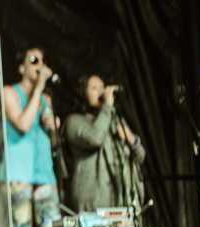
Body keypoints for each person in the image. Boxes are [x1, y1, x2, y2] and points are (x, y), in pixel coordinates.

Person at [1, 48, 60, 227]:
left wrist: (54, 129)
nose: (40, 65)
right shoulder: (10, 93)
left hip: (44, 174)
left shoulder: (46, 99)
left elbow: (52, 144)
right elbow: (23, 124)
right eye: (34, 60)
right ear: (21, 68)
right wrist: (38, 89)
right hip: (19, 175)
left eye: (43, 60)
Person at [62, 75, 146, 213]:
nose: (101, 91)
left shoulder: (114, 120)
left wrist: (132, 139)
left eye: (103, 87)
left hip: (122, 203)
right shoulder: (74, 122)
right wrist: (107, 106)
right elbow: (95, 138)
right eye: (94, 88)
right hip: (93, 205)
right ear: (83, 94)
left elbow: (140, 156)